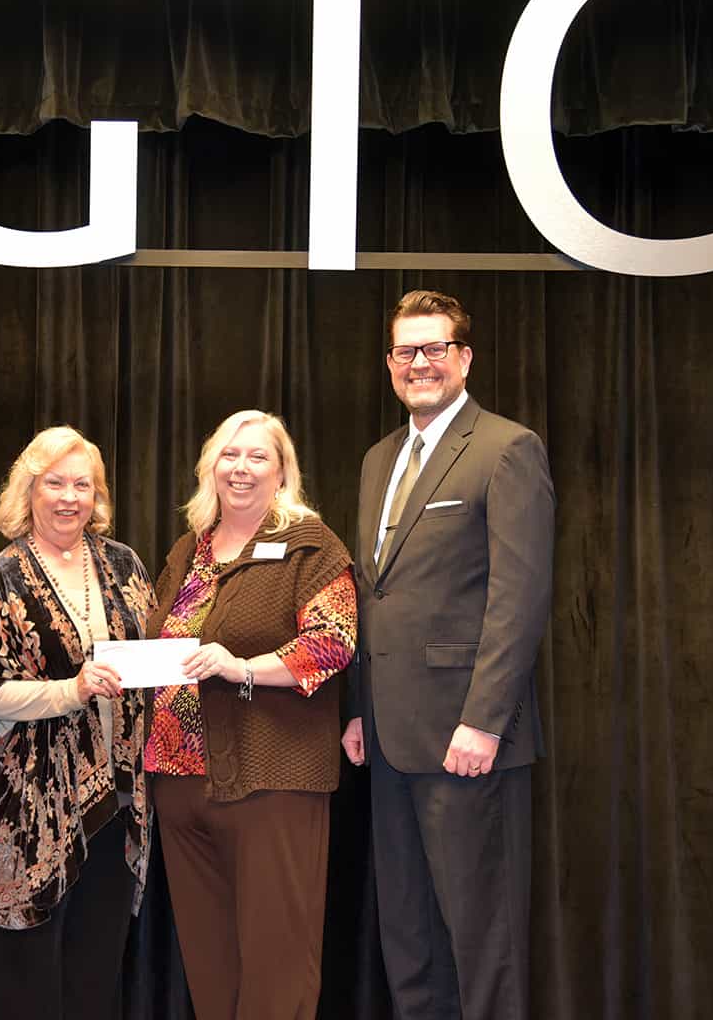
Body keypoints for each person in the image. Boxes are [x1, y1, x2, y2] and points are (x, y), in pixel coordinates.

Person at [342, 289, 555, 1020]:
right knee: (409, 938)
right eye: (406, 350)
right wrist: (357, 710)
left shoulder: (507, 447)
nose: (420, 363)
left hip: (468, 741)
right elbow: (375, 594)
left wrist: (485, 720)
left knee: (482, 941)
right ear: (390, 363)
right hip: (392, 742)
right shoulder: (378, 459)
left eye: (435, 348)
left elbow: (518, 599)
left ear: (465, 358)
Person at [145, 409, 357, 1020]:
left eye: (258, 456)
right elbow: (163, 638)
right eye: (229, 455)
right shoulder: (190, 548)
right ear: (210, 466)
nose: (240, 468)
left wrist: (239, 667)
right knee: (210, 963)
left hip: (272, 781)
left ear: (283, 471)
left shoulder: (310, 545)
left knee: (277, 962)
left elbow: (332, 643)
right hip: (179, 780)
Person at [0, 426, 154, 1020]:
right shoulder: (2, 576)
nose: (69, 497)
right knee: (32, 977)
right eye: (55, 483)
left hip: (118, 799)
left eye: (82, 484)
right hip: (30, 806)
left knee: (96, 972)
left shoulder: (125, 563)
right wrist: (68, 691)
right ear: (29, 491)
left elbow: (154, 655)